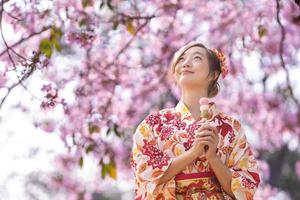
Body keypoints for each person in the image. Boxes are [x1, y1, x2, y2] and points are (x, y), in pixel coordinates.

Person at [130, 41, 260, 200]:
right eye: (182, 59)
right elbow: (145, 174)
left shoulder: (231, 127)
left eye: (196, 58)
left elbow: (244, 189)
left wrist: (213, 157)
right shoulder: (153, 124)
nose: (186, 63)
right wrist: (194, 152)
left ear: (213, 74)